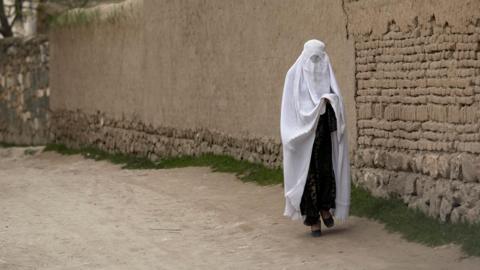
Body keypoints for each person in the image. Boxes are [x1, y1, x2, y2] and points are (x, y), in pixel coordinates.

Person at [280, 39, 351, 237]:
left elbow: (338, 108)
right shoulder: (293, 77)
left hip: (323, 134)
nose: (317, 65)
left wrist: (331, 102)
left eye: (320, 60)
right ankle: (313, 219)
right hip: (303, 141)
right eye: (313, 60)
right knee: (308, 176)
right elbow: (288, 113)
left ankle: (325, 208)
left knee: (326, 171)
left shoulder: (327, 76)